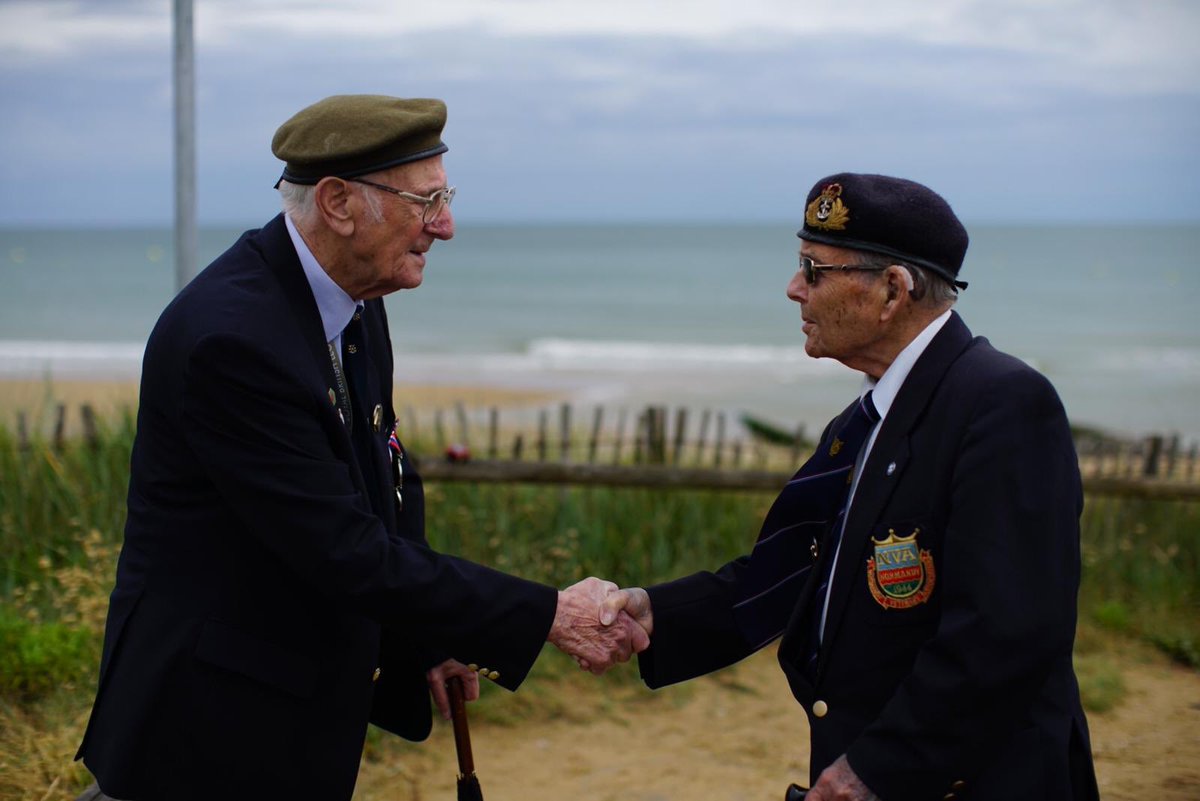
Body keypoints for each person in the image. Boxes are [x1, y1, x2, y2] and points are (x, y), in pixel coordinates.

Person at [74, 94, 647, 801]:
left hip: (292, 714)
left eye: (446, 197)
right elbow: (341, 547)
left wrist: (429, 637)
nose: (446, 225)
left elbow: (386, 478)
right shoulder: (233, 340)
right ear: (339, 203)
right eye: (426, 201)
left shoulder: (355, 298)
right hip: (207, 729)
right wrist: (549, 614)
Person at [603, 173, 1100, 800]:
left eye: (814, 270)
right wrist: (654, 613)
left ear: (892, 290)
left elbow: (1005, 633)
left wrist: (878, 769)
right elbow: (789, 575)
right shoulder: (863, 423)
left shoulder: (1001, 403)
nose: (793, 288)